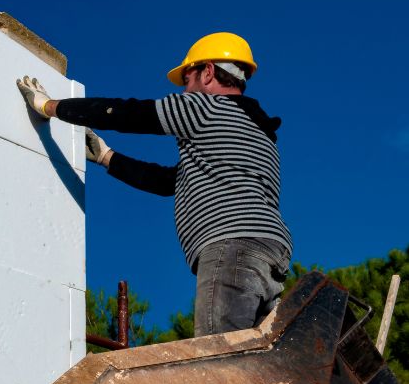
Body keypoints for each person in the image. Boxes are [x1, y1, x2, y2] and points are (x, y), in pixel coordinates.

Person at [17, 32, 293, 337]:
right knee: (255, 364)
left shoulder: (205, 108)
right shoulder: (260, 134)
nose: (185, 90)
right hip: (270, 255)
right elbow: (170, 181)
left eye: (187, 80)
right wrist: (107, 156)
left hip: (231, 247)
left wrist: (50, 106)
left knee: (219, 358)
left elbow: (128, 114)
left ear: (208, 72)